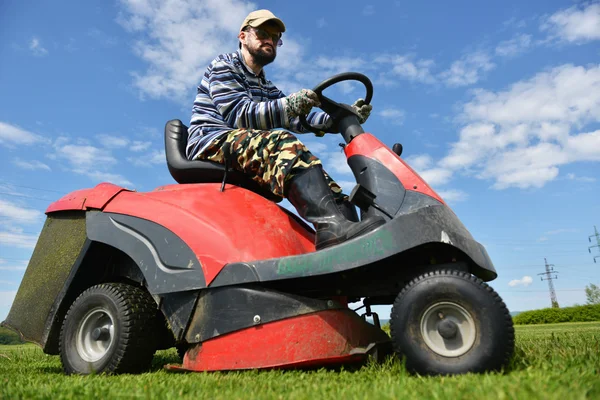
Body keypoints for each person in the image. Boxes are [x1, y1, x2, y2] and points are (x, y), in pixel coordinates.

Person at [187, 9, 383, 250]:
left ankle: (353, 240)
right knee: (283, 144)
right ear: (242, 36)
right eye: (262, 33)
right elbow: (239, 114)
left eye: (275, 36)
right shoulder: (224, 66)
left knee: (321, 177)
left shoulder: (266, 86)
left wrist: (340, 118)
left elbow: (299, 119)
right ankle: (331, 228)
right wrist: (290, 104)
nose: (269, 40)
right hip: (211, 141)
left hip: (242, 144)